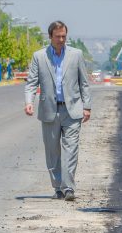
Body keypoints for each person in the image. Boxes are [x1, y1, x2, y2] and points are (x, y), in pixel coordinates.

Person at [24, 20, 92, 201]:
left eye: (64, 36)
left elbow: (84, 82)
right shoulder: (39, 56)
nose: (61, 40)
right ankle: (58, 188)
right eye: (58, 37)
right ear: (50, 37)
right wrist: (29, 102)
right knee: (52, 152)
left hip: (72, 111)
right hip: (49, 111)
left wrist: (87, 106)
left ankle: (69, 187)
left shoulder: (76, 55)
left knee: (71, 150)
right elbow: (31, 83)